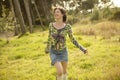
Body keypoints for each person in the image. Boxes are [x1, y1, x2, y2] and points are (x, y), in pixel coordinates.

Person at [45, 7, 87, 80]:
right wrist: (47, 47)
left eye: (57, 12)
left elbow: (73, 39)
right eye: (55, 12)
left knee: (64, 72)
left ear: (62, 14)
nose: (55, 13)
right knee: (60, 71)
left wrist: (82, 48)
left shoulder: (67, 27)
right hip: (54, 52)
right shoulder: (51, 25)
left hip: (63, 52)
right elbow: (49, 37)